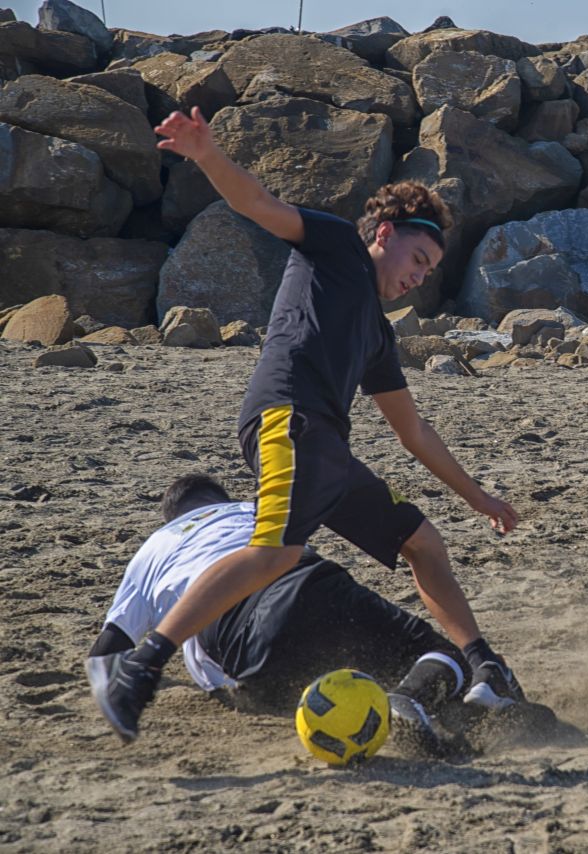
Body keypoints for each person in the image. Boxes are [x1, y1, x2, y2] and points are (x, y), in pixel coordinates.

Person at [89, 105, 522, 744]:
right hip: (285, 419)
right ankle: (142, 669)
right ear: (386, 230)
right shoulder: (334, 247)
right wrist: (206, 154)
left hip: (327, 450)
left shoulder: (376, 333)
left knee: (424, 543)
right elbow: (258, 202)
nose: (419, 276)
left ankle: (486, 666)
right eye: (419, 257)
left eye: (430, 270)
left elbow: (414, 432)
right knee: (275, 552)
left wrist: (479, 497)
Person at [89, 474, 505, 755]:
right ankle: (411, 696)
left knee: (286, 687)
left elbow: (108, 650)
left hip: (240, 636)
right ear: (222, 500)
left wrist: (121, 708)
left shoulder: (154, 548)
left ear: (172, 519)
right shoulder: (251, 510)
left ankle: (388, 712)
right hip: (312, 582)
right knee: (439, 656)